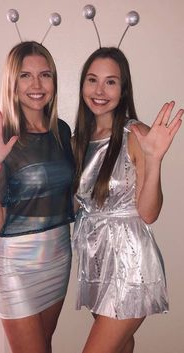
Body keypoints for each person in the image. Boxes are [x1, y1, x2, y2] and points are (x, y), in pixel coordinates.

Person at [72, 47, 183, 353]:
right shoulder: (77, 141)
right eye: (92, 80)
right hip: (94, 258)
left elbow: (148, 214)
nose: (99, 90)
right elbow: (74, 206)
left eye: (110, 82)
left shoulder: (137, 134)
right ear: (82, 85)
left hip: (129, 263)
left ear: (123, 89)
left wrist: (154, 159)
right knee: (122, 346)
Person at [0, 41, 75, 353]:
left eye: (45, 75)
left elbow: (68, 197)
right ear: (12, 82)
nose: (36, 84)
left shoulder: (62, 129)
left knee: (44, 345)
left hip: (58, 254)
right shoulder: (3, 135)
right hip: (15, 263)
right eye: (25, 76)